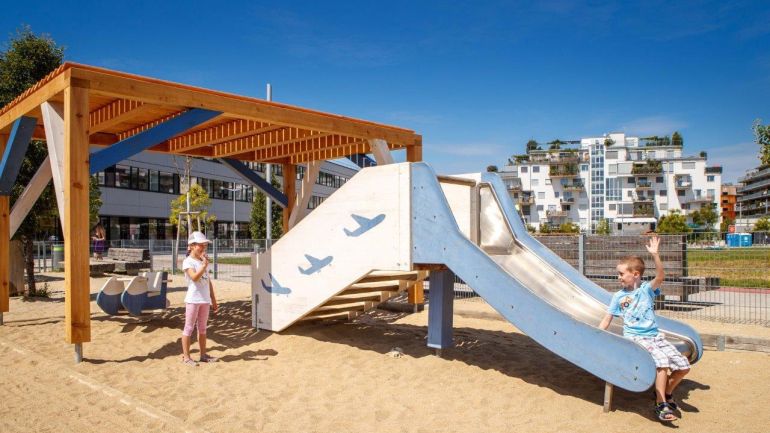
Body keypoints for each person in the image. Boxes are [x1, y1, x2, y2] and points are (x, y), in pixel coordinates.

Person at [598, 236, 690, 422]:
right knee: (662, 361)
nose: (619, 277)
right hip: (636, 338)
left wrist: (655, 255)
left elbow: (661, 277)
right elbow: (608, 317)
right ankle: (660, 403)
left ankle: (666, 393)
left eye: (622, 274)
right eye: (619, 274)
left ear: (636, 275)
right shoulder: (618, 296)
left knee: (683, 366)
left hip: (655, 336)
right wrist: (597, 334)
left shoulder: (647, 290)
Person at [181, 231, 219, 366]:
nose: (203, 248)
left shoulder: (201, 262)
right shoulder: (188, 262)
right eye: (200, 245)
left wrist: (213, 300)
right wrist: (203, 266)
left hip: (204, 300)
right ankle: (186, 357)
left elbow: (208, 282)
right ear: (191, 246)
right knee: (189, 328)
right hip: (193, 300)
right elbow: (195, 278)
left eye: (204, 245)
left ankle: (203, 355)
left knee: (202, 328)